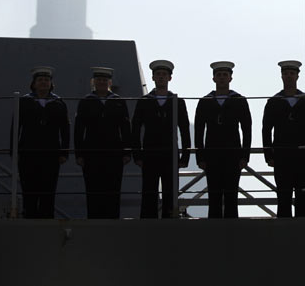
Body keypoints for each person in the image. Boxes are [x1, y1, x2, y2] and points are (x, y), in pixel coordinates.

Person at [262, 60, 305, 217]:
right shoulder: (273, 102)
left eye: (292, 73)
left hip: (304, 155)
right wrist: (268, 155)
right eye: (286, 74)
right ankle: (283, 230)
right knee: (283, 197)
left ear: (297, 76)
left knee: (304, 197)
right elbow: (266, 130)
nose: (289, 76)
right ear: (281, 76)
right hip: (282, 156)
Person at [131, 60, 191, 219]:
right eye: (158, 74)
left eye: (164, 74)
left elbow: (184, 130)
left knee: (170, 194)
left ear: (170, 78)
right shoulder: (144, 102)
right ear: (153, 77)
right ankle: (147, 225)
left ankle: (169, 224)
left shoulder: (177, 102)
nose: (161, 77)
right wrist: (137, 155)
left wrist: (185, 156)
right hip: (149, 154)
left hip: (170, 154)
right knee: (148, 193)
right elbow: (135, 129)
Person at [194, 61, 252, 219]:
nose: (221, 78)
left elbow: (247, 130)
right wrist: (200, 157)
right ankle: (214, 230)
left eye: (225, 75)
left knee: (232, 196)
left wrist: (245, 156)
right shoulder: (205, 101)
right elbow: (199, 131)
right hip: (212, 155)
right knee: (214, 197)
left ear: (230, 78)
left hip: (233, 155)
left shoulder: (239, 100)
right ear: (213, 78)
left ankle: (233, 230)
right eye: (218, 75)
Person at [12, 66, 69, 219]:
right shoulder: (24, 101)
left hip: (51, 154)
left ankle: (47, 224)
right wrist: (14, 151)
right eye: (40, 80)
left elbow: (65, 129)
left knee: (48, 192)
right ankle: (29, 222)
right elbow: (15, 127)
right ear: (34, 83)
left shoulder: (58, 102)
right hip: (28, 153)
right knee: (29, 191)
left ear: (51, 83)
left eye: (46, 80)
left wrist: (64, 152)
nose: (43, 82)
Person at [74, 67, 132, 219]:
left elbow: (125, 128)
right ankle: (94, 221)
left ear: (109, 83)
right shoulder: (86, 102)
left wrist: (127, 151)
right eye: (99, 80)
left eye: (104, 80)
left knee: (113, 189)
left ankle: (113, 220)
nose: (101, 82)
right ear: (93, 82)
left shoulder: (118, 102)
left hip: (114, 153)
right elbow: (79, 129)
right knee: (93, 189)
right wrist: (79, 154)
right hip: (92, 153)